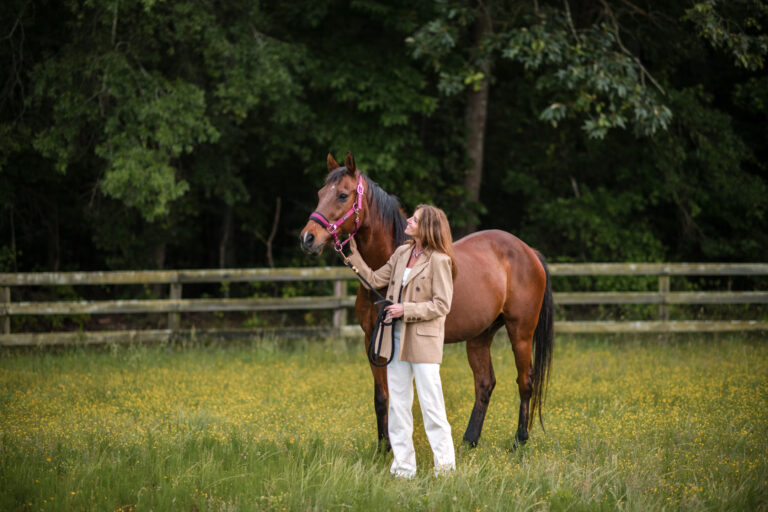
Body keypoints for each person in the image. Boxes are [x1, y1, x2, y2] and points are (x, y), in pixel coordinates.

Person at [347, 204, 458, 478]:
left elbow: (442, 305)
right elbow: (374, 279)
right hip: (394, 338)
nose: (408, 220)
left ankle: (445, 469)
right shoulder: (401, 253)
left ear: (427, 227)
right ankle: (403, 469)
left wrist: (404, 310)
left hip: (423, 341)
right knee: (398, 407)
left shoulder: (440, 260)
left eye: (415, 219)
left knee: (432, 408)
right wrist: (352, 254)